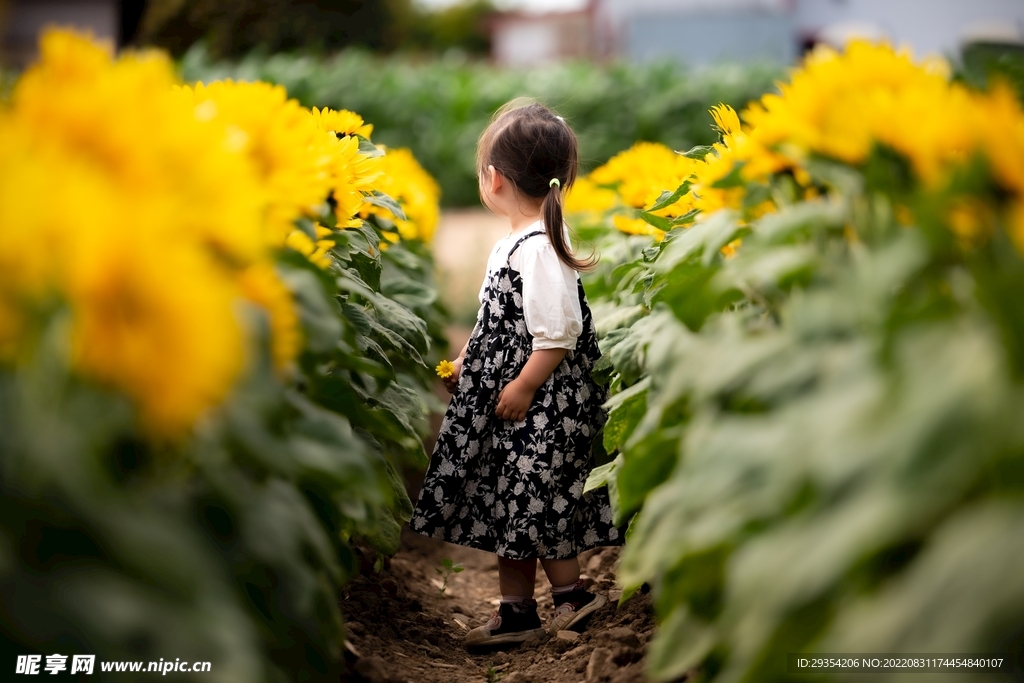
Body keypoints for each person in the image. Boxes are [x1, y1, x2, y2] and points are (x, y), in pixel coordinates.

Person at [409, 101, 623, 647]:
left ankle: (563, 600)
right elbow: (497, 323)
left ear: (495, 178)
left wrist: (524, 385)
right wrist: (467, 362)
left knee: (534, 502)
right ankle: (525, 610)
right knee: (517, 503)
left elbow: (558, 332)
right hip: (519, 406)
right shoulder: (514, 243)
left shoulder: (540, 247)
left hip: (543, 406)